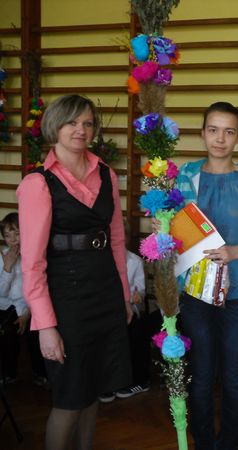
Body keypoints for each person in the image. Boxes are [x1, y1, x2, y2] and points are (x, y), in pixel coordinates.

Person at [16, 94, 132, 450]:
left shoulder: (106, 174)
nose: (81, 130)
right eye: (72, 122)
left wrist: (124, 298)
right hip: (65, 301)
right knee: (69, 397)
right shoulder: (38, 183)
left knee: (93, 390)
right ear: (55, 126)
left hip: (105, 294)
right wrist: (46, 326)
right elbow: (32, 263)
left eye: (87, 123)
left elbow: (116, 240)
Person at [175, 101, 238, 450]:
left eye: (229, 131)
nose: (220, 138)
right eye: (213, 130)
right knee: (201, 372)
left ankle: (230, 441)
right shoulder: (185, 177)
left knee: (233, 374)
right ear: (202, 133)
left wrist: (235, 252)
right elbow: (175, 228)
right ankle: (203, 441)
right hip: (195, 290)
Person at [100, 224, 149, 402]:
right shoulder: (101, 259)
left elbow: (141, 290)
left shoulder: (135, 261)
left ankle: (137, 381)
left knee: (134, 331)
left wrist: (138, 296)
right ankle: (106, 382)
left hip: (128, 310)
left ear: (127, 238)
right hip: (105, 310)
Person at [0, 212, 46, 386]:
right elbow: (2, 293)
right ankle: (9, 373)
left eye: (17, 234)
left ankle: (40, 373)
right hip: (5, 306)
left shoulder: (34, 256)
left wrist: (27, 313)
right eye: (7, 235)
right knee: (7, 333)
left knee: (37, 331)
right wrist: (7, 267)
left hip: (29, 306)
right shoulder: (2, 257)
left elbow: (39, 287)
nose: (12, 240)